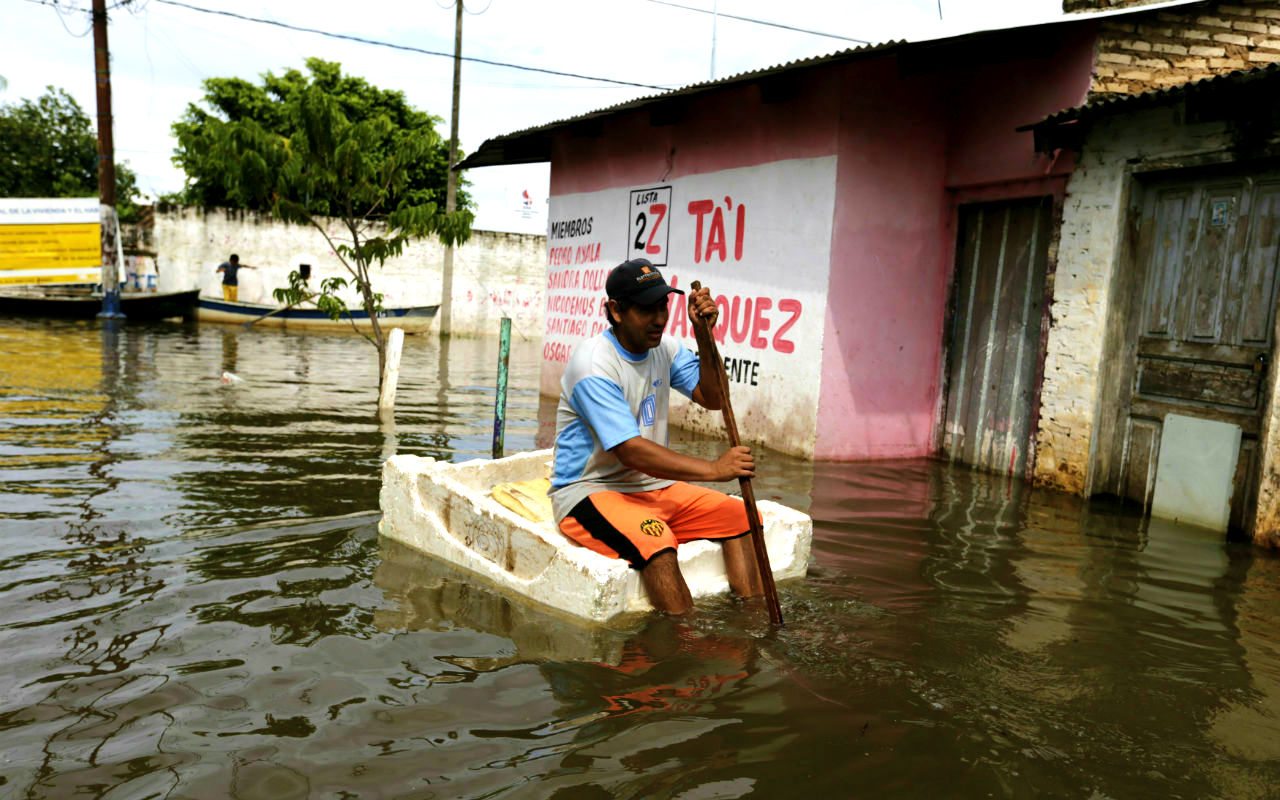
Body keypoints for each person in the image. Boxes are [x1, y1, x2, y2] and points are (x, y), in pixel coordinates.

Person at [549, 257, 763, 614]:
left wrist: (704, 335)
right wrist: (714, 469)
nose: (660, 319)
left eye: (663, 305)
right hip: (589, 491)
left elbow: (713, 397)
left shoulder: (665, 348)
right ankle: (684, 644)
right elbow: (630, 451)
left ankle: (753, 624)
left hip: (651, 487)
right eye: (647, 309)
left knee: (742, 516)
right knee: (658, 543)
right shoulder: (593, 364)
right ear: (616, 311)